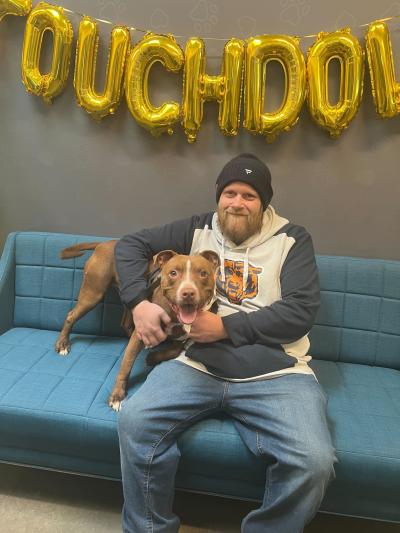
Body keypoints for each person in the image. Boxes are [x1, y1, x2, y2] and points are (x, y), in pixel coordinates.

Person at [115, 153, 336, 533]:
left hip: (276, 372)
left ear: (263, 202)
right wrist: (138, 304)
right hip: (197, 363)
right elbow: (129, 245)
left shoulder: (292, 239)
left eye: (249, 195)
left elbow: (300, 312)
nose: (237, 203)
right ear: (218, 196)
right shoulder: (198, 229)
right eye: (230, 193)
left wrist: (226, 328)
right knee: (135, 421)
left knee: (314, 460)